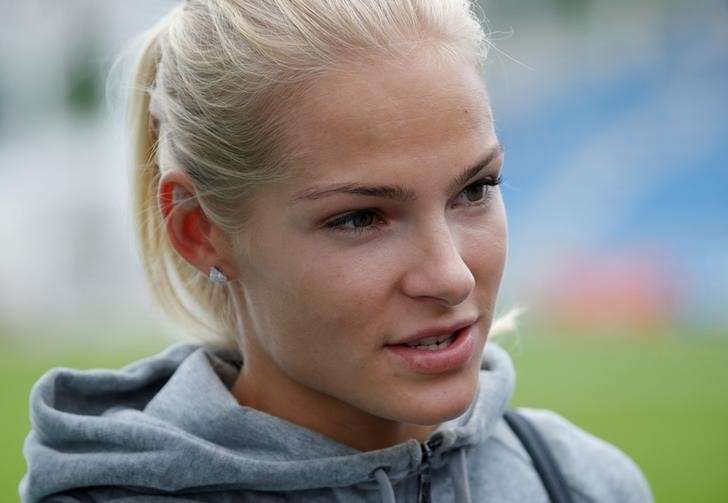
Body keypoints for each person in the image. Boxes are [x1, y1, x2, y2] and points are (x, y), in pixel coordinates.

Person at [20, 1, 653, 502]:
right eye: (360, 218)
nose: (452, 276)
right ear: (199, 231)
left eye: (475, 189)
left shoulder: (582, 484)